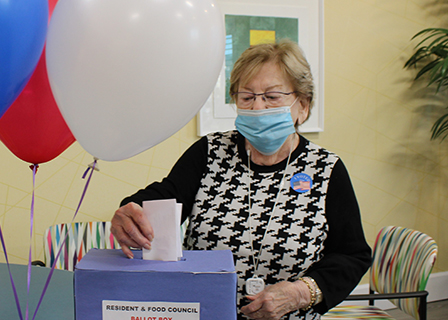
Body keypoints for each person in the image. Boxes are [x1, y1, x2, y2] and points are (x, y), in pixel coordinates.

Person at [110, 39, 371, 320]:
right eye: (247, 97)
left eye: (271, 97)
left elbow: (351, 254)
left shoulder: (325, 168)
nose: (258, 108)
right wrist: (131, 209)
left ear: (303, 105)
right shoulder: (210, 152)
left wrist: (300, 293)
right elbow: (168, 193)